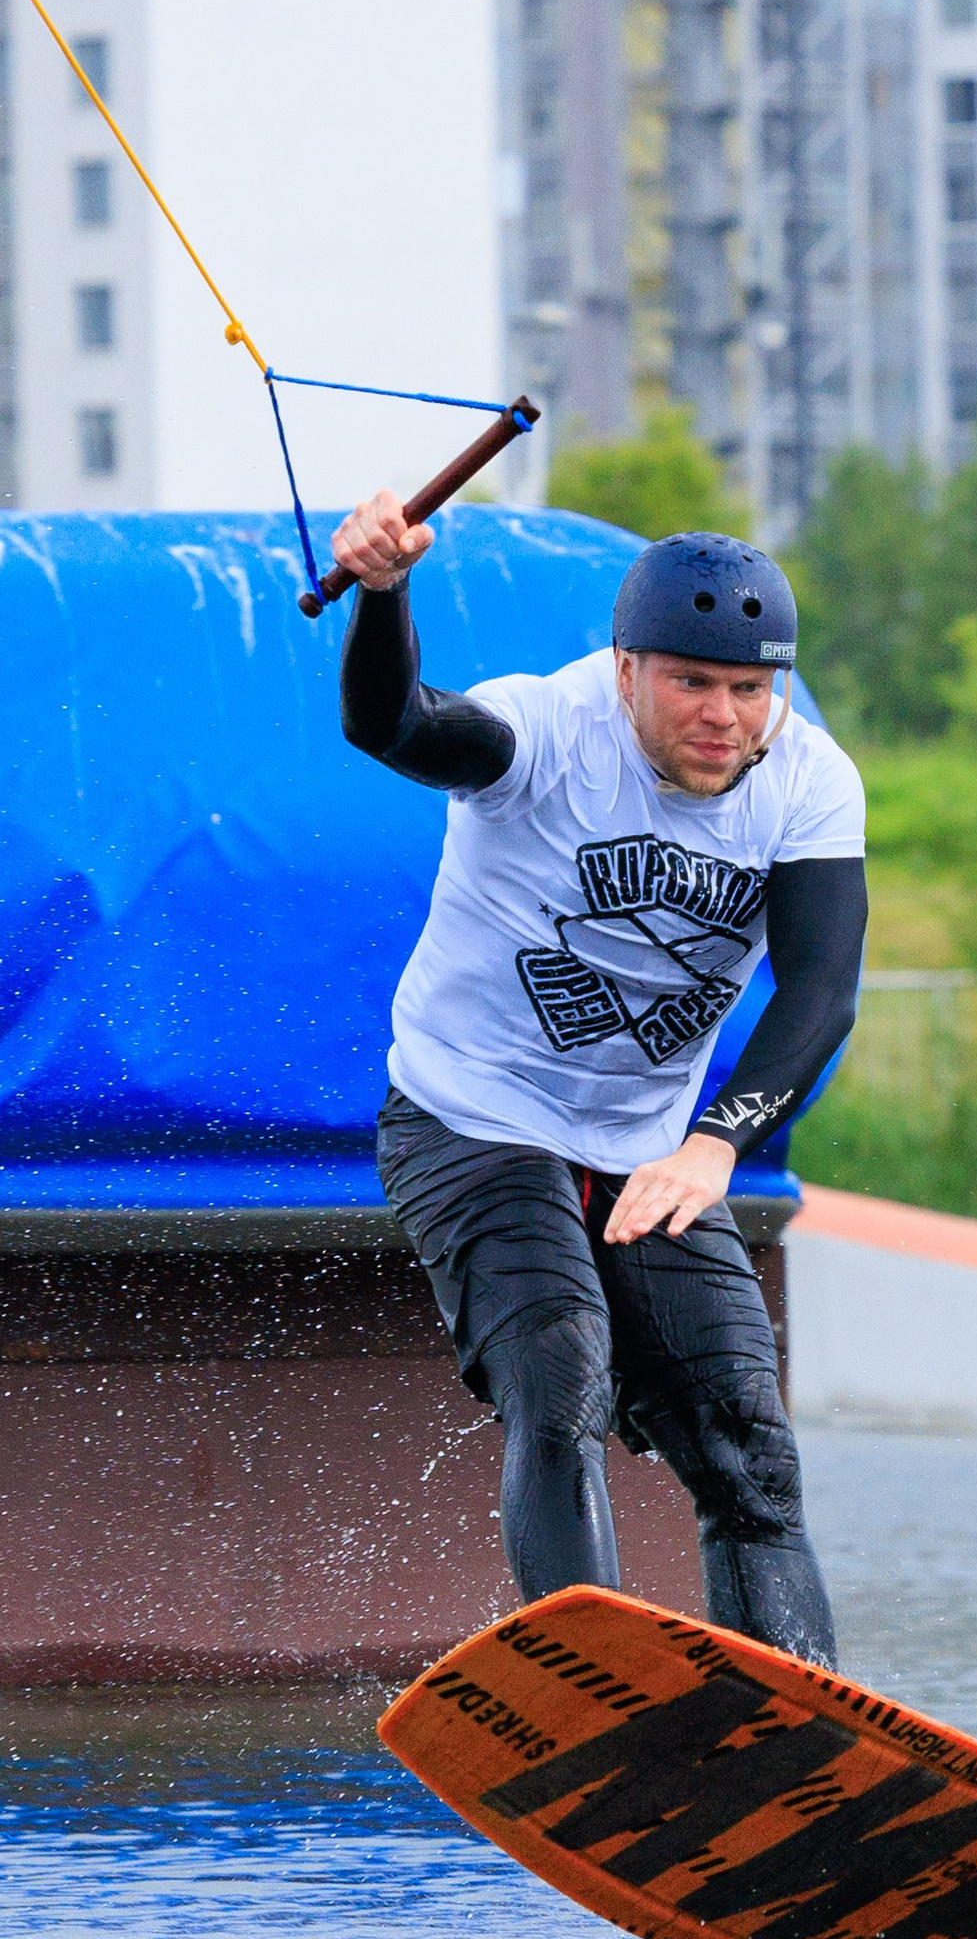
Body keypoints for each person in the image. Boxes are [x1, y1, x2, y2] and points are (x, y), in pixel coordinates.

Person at [332, 490, 865, 1665]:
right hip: (468, 1117)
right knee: (561, 1370)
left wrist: (717, 1140)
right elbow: (395, 727)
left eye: (748, 688)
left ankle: (803, 1732)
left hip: (650, 1146)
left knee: (749, 1448)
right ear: (626, 670)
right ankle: (598, 1683)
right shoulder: (542, 732)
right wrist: (383, 596)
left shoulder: (809, 781)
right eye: (691, 683)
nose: (724, 717)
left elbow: (821, 989)